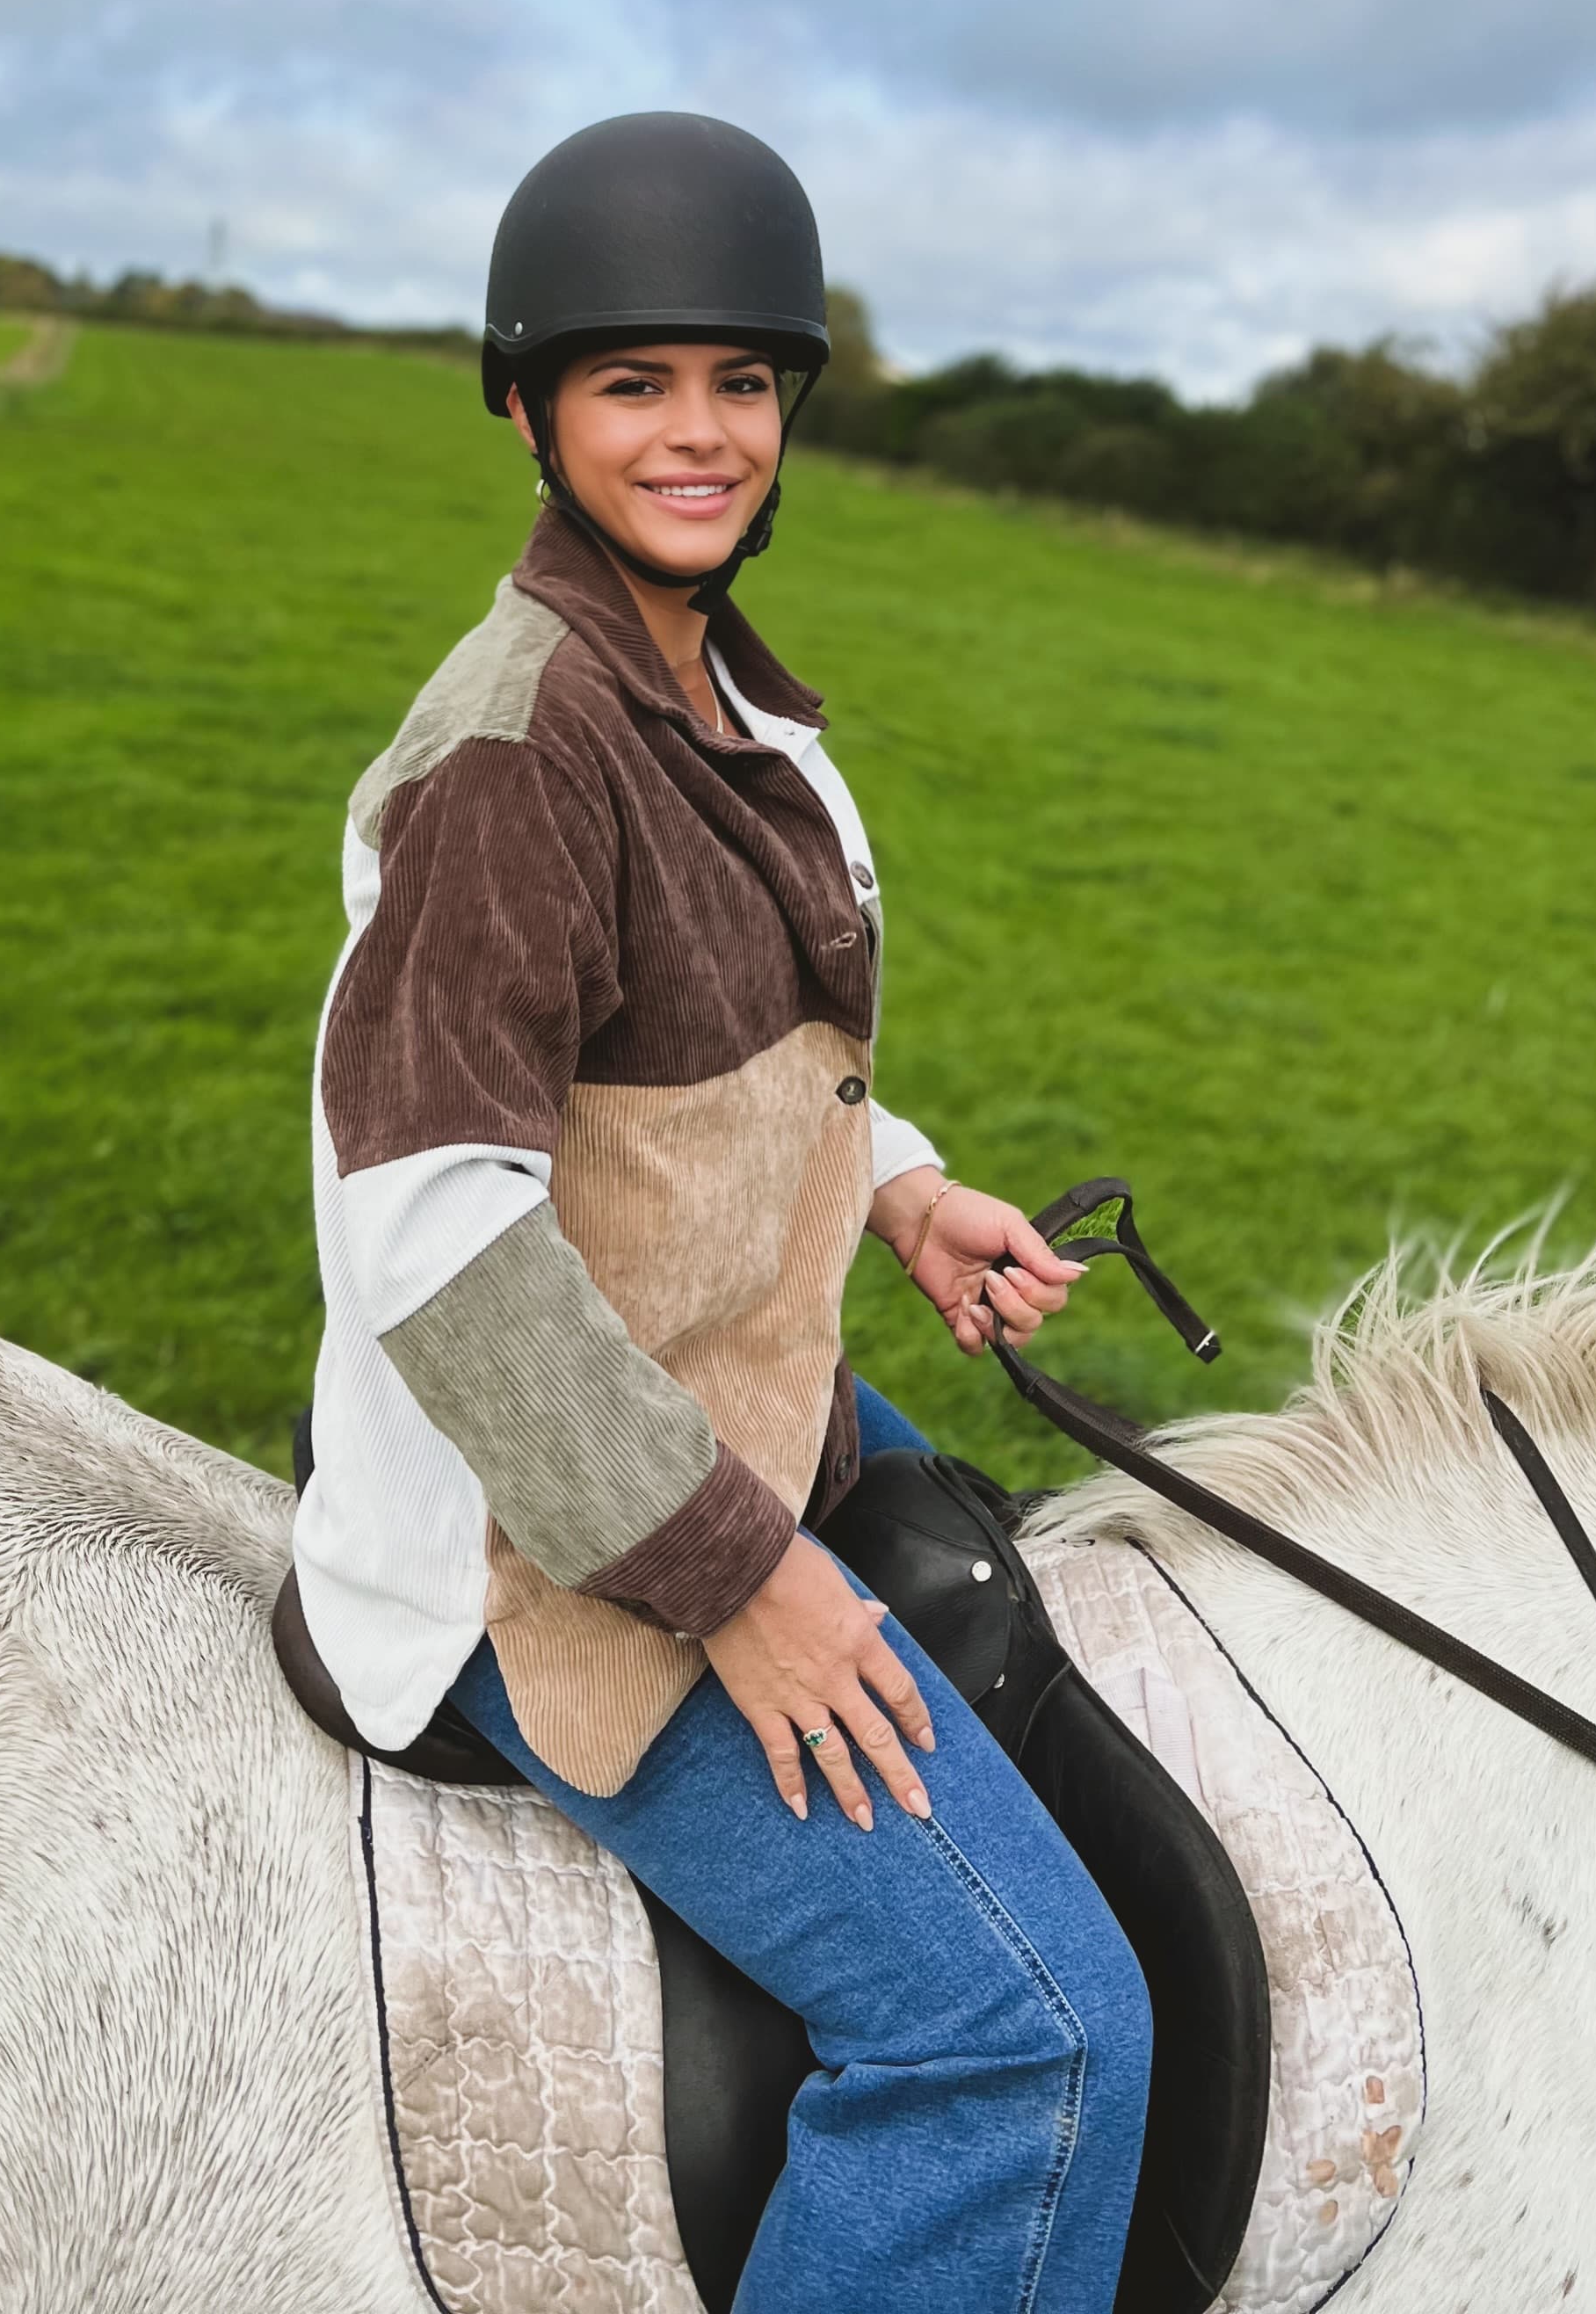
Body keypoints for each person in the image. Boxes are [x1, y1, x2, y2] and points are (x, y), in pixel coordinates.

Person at [292, 111, 1150, 2311]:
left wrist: (908, 1189)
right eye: (632, 384)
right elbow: (439, 1241)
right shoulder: (521, 753)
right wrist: (740, 1585)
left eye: (741, 383)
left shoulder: (727, 690)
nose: (700, 434)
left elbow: (729, 1065)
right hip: (557, 1549)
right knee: (1025, 2037)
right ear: (527, 408)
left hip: (755, 1415)